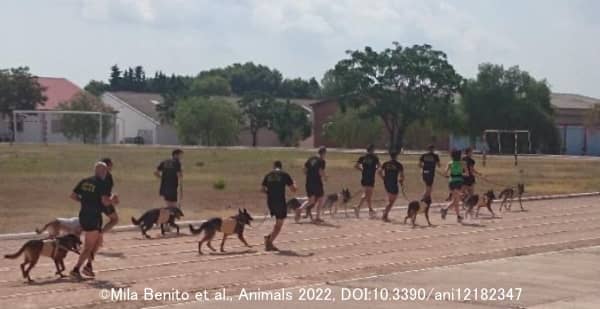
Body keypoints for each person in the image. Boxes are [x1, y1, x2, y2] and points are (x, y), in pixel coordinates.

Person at [70, 162, 118, 279]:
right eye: (105, 171)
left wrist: (85, 201)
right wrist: (113, 200)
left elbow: (73, 196)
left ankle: (88, 266)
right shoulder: (101, 183)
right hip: (94, 217)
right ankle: (76, 269)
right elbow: (105, 202)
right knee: (88, 246)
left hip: (84, 215)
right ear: (103, 171)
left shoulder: (84, 181)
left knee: (97, 242)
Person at [261, 161, 297, 251]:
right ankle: (269, 242)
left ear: (274, 166)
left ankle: (269, 237)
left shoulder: (268, 175)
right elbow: (293, 190)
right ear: (281, 167)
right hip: (280, 201)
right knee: (279, 224)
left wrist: (270, 193)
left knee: (277, 221)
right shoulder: (284, 174)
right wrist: (295, 183)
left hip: (270, 202)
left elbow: (262, 189)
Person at [298, 146, 327, 223]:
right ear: (323, 153)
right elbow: (321, 171)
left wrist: (309, 175)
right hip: (317, 182)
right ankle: (317, 217)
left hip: (308, 182)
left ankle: (300, 209)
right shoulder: (322, 161)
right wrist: (325, 178)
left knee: (311, 200)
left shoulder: (311, 159)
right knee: (321, 199)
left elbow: (304, 169)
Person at [353, 144, 380, 218]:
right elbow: (379, 166)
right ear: (372, 150)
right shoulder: (375, 157)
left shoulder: (362, 157)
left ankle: (369, 209)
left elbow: (356, 166)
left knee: (367, 194)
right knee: (368, 194)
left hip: (364, 177)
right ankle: (361, 208)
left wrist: (362, 170)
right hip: (371, 177)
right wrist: (375, 170)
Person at [441, 149, 466, 223]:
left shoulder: (450, 163)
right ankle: (457, 216)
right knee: (457, 200)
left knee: (456, 200)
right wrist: (460, 174)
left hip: (451, 182)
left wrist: (448, 176)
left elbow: (445, 173)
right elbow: (466, 173)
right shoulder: (463, 163)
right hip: (459, 182)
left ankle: (446, 210)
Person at [379, 149, 404, 222]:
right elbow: (402, 175)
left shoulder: (385, 163)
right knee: (392, 201)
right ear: (396, 156)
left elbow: (379, 172)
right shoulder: (399, 164)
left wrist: (383, 178)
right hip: (393, 183)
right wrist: (401, 181)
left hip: (386, 183)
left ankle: (386, 212)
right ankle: (384, 214)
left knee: (390, 199)